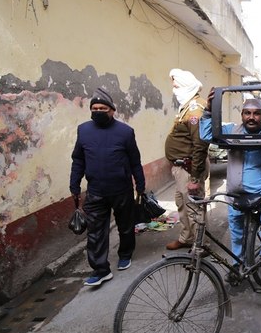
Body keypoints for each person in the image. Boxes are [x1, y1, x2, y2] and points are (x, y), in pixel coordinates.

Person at [200, 97, 261, 273]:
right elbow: (206, 135)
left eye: (256, 113)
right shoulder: (230, 131)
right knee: (236, 232)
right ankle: (238, 263)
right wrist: (208, 110)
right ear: (242, 115)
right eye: (247, 113)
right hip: (236, 191)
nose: (252, 117)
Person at [70, 88, 146, 286]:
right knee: (95, 231)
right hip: (95, 192)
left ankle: (125, 253)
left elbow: (135, 161)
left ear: (112, 110)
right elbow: (78, 159)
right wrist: (75, 184)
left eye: (103, 108)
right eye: (94, 108)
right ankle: (101, 269)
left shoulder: (125, 132)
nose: (98, 111)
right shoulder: (84, 130)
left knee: (125, 225)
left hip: (121, 190)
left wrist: (140, 184)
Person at [164, 69, 210, 251]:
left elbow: (200, 145)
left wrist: (194, 177)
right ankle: (186, 237)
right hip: (182, 167)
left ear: (185, 86)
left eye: (176, 86)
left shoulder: (195, 110)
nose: (174, 90)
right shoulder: (187, 106)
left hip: (190, 168)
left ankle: (200, 245)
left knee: (194, 208)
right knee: (182, 204)